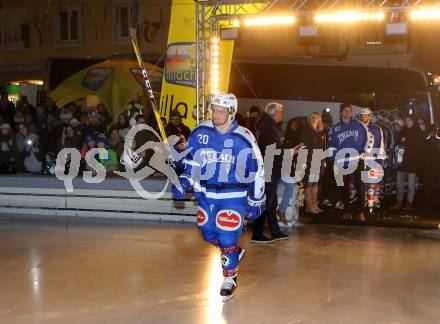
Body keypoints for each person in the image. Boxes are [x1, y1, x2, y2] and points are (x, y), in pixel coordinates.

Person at [171, 93, 266, 302]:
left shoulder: (243, 138)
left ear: (231, 113)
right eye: (213, 109)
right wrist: (184, 181)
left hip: (233, 195)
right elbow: (192, 163)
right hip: (205, 194)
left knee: (226, 236)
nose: (215, 114)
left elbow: (256, 169)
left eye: (220, 111)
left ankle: (229, 279)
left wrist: (256, 198)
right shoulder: (200, 132)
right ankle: (233, 252)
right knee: (208, 233)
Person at [252, 102, 289, 243]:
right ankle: (257, 234)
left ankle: (275, 231)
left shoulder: (266, 127)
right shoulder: (268, 129)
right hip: (270, 170)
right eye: (281, 112)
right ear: (274, 113)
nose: (282, 115)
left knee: (271, 203)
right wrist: (289, 152)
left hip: (269, 169)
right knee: (266, 203)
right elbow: (271, 151)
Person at [329, 103, 368, 221]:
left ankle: (360, 211)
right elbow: (331, 147)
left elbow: (366, 141)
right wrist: (333, 161)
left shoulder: (359, 126)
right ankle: (347, 211)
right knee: (344, 187)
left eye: (350, 111)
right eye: (345, 110)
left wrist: (363, 153)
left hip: (357, 160)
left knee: (360, 186)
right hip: (342, 162)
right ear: (341, 113)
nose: (348, 112)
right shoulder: (335, 128)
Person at [390, 116, 425, 211]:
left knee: (411, 184)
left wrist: (406, 144)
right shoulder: (403, 131)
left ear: (413, 121)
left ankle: (409, 203)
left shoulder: (419, 133)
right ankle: (398, 202)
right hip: (402, 162)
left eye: (409, 120)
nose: (407, 122)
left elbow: (421, 148)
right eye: (406, 120)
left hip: (412, 163)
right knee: (399, 183)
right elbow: (398, 144)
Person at [359, 108, 385, 216]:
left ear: (369, 116)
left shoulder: (377, 129)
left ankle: (371, 202)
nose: (363, 117)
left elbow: (381, 145)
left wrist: (381, 160)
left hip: (372, 159)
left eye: (365, 115)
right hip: (359, 159)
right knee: (359, 182)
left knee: (372, 181)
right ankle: (360, 201)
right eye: (362, 115)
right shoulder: (356, 128)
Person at [300, 112, 326, 214]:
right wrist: (303, 161)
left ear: (319, 119)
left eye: (316, 117)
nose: (314, 119)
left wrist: (323, 161)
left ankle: (314, 205)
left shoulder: (320, 132)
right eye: (313, 117)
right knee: (309, 184)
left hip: (317, 161)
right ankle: (309, 206)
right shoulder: (306, 131)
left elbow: (322, 149)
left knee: (315, 184)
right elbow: (303, 146)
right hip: (309, 161)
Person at [276, 118, 301, 224]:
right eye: (280, 137)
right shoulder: (278, 143)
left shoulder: (287, 142)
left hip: (282, 173)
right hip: (274, 174)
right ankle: (278, 212)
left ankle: (281, 210)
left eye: (282, 137)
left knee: (291, 183)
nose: (282, 139)